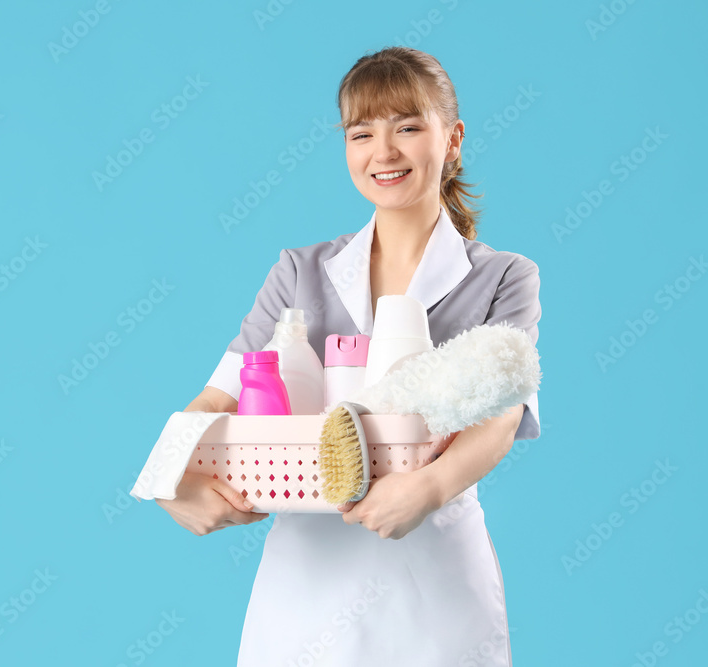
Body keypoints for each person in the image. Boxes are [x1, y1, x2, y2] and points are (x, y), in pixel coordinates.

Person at [156, 46, 541, 666]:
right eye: (361, 134)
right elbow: (215, 399)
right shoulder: (299, 272)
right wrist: (170, 481)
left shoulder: (502, 278)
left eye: (407, 127)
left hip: (434, 578)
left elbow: (501, 417)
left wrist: (429, 487)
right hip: (308, 582)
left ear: (452, 140)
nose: (382, 152)